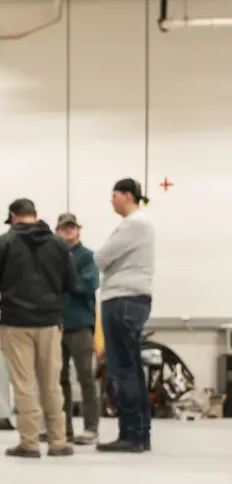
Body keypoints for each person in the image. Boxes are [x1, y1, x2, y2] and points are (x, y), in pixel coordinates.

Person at [0, 199, 77, 458]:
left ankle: (29, 443)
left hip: (15, 322)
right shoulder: (58, 243)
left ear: (14, 216)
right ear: (36, 215)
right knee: (52, 383)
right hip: (50, 323)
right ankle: (58, 441)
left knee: (24, 384)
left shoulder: (4, 243)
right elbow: (71, 281)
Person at [94, 178, 155, 453]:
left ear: (128, 196)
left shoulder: (134, 224)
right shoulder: (141, 224)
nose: (111, 200)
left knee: (122, 369)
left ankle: (130, 435)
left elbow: (101, 258)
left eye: (115, 195)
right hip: (133, 299)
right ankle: (141, 433)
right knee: (132, 369)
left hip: (122, 299)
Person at [55, 213, 100, 444]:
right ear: (57, 231)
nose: (68, 231)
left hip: (80, 325)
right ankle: (64, 429)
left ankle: (91, 427)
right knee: (59, 379)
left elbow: (89, 284)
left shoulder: (86, 257)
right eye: (64, 228)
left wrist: (66, 279)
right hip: (56, 325)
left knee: (86, 378)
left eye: (71, 227)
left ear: (78, 230)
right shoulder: (52, 257)